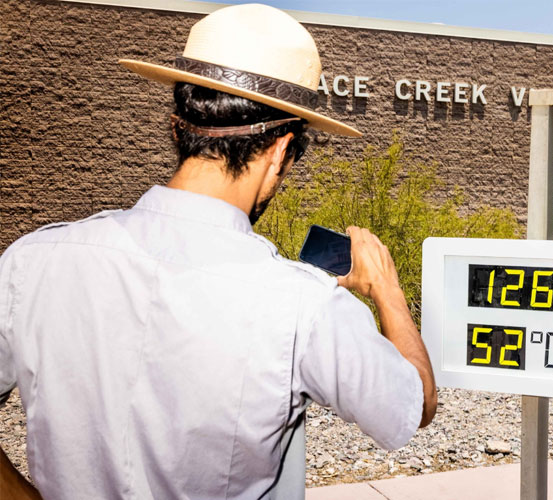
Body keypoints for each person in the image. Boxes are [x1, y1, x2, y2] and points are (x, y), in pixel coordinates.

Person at [0, 4, 436, 499]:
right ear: (278, 155)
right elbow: (414, 405)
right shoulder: (303, 306)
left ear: (175, 128)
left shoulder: (32, 261)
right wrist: (387, 289)